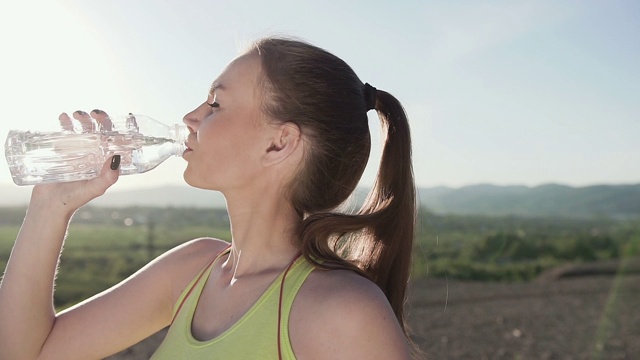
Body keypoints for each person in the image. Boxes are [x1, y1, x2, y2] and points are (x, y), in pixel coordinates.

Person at [0, 37, 417, 359]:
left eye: (216, 103)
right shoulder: (192, 270)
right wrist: (51, 206)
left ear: (279, 144)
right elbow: (26, 352)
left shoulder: (342, 312)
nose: (190, 118)